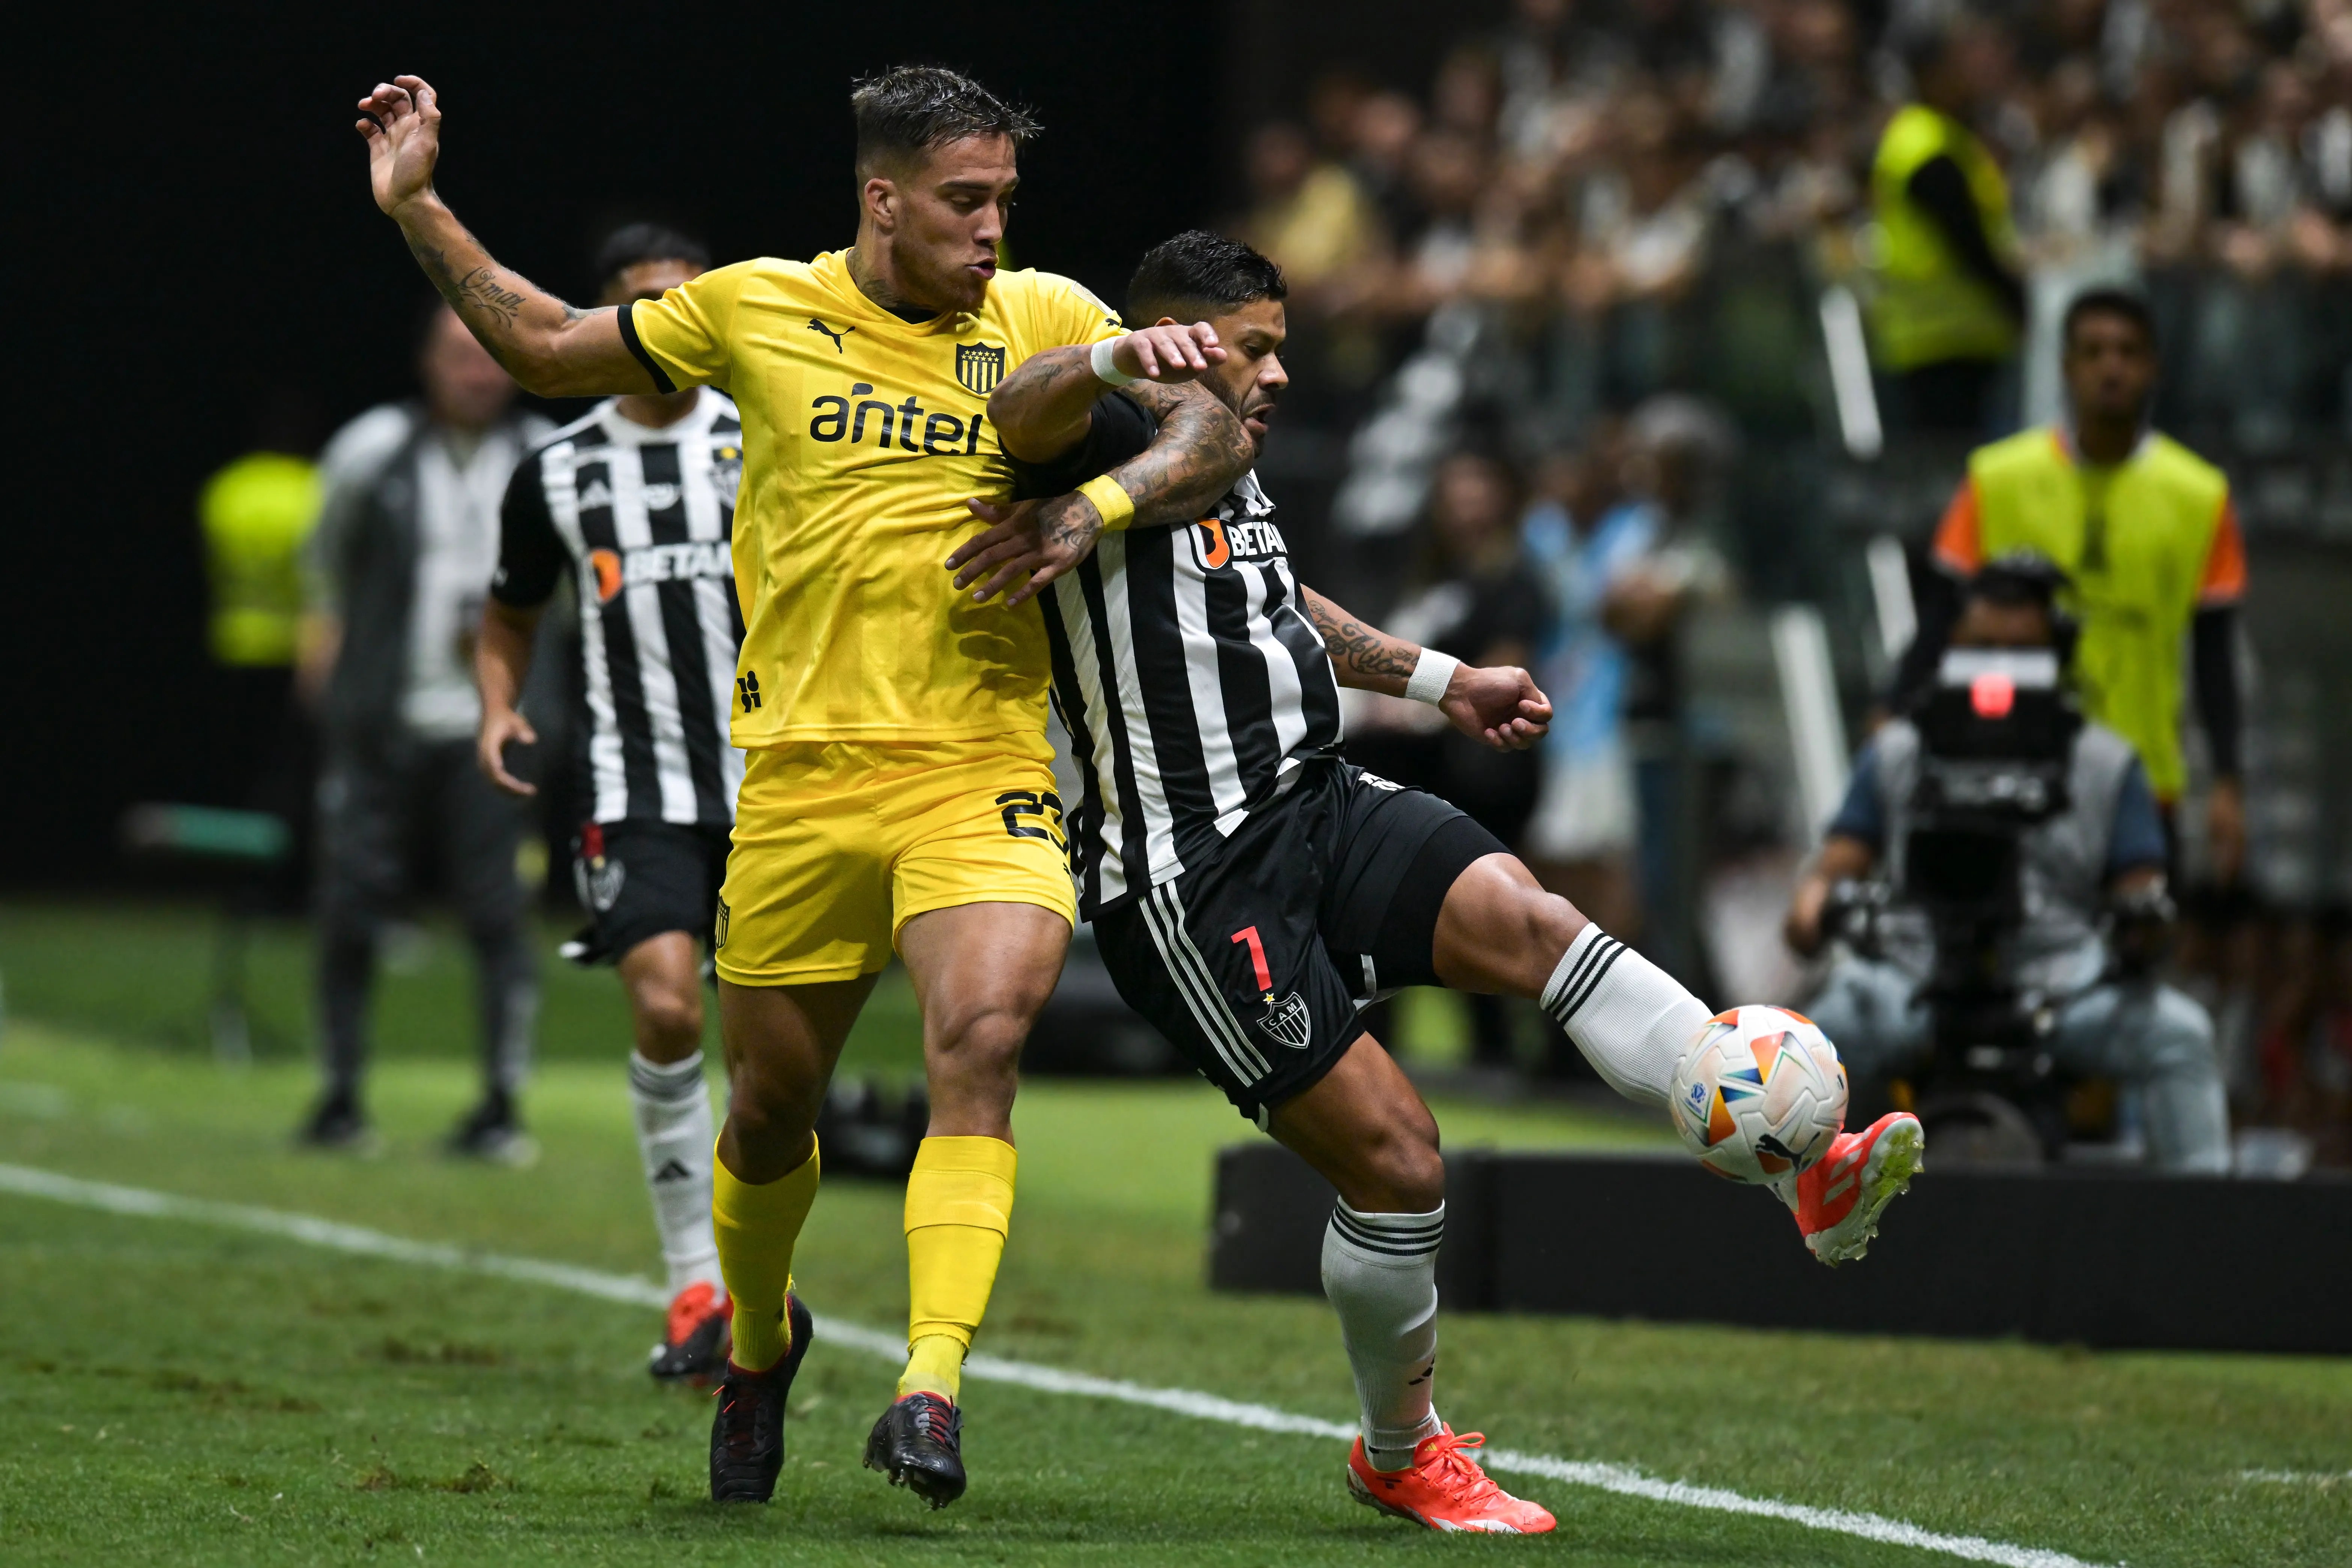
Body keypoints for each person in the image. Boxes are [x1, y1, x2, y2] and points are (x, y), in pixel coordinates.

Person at [352, 67, 1248, 1508]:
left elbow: (1213, 430)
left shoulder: (1054, 321)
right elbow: (542, 344)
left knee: (983, 1037)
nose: (992, 230)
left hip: (982, 764)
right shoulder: (754, 306)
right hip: (800, 780)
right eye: (965, 201)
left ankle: (931, 1388)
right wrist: (418, 207)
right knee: (771, 1112)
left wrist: (1098, 500)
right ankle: (761, 1345)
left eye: (1005, 200)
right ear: (881, 198)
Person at [952, 231, 1927, 1535]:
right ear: (1181, 337)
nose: (1281, 373)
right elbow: (1011, 411)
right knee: (1403, 1164)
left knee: (1535, 920)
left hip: (1315, 799)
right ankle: (1398, 1448)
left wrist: (1437, 680)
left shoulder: (1223, 451)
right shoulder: (1104, 428)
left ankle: (1797, 1163)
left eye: (1283, 344)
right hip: (1192, 877)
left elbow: (1275, 600)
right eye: (1255, 346)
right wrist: (1107, 384)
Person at [472, 223, 745, 1385]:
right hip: (637, 785)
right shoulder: (560, 469)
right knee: (672, 1010)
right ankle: (696, 1280)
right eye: (644, 305)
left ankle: (757, 1270)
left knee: (781, 1062)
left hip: (784, 779)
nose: (668, 325)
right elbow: (510, 608)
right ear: (608, 320)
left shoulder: (765, 439)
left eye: (687, 303)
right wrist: (497, 706)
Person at [1787, 557, 2230, 1173]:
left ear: (2058, 654)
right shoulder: (1898, 752)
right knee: (1804, 1048)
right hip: (1914, 975)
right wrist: (1814, 909)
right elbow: (1832, 867)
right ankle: (1805, 1222)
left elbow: (2143, 888)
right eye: (1982, 647)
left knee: (2178, 1035)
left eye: (2019, 651)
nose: (1998, 667)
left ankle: (2199, 1237)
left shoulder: (2105, 762)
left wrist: (2142, 926)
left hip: (2058, 985)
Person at [297, 304, 552, 1159]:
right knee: (349, 908)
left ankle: (500, 1104)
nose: (477, 373)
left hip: (494, 732)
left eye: (491, 357)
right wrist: (326, 653)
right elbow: (326, 563)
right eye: (459, 355)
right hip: (383, 720)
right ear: (426, 362)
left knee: (498, 916)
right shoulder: (371, 450)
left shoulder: (545, 455)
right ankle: (339, 1094)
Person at [1893, 288, 2248, 885]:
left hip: (2142, 780)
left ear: (2152, 366)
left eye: (2127, 352)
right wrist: (1892, 716)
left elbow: (2214, 653)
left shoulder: (2200, 496)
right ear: (2065, 367)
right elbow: (1936, 621)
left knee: (2133, 956)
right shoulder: (1995, 479)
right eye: (2092, 352)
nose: (2110, 368)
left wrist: (2227, 782)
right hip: (2003, 769)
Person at [1867, 16, 2027, 436]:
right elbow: (1967, 242)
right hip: (1944, 343)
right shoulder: (1924, 145)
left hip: (1954, 339)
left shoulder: (1944, 136)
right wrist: (2018, 302)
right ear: (1931, 72)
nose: (1975, 70)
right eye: (1962, 60)